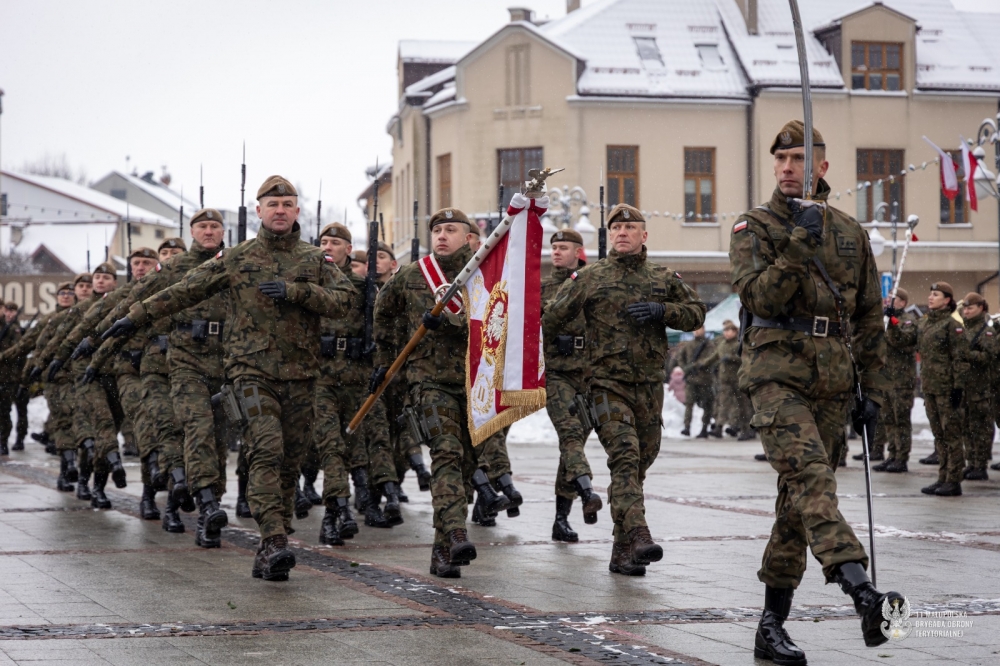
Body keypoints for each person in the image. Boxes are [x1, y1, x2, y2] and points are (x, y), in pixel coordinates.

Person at [103, 176, 356, 581]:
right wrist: (133, 317)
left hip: (301, 374)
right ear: (258, 210)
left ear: (296, 211)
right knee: (267, 447)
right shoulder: (237, 258)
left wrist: (297, 292)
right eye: (272, 204)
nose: (280, 211)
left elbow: (345, 302)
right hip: (250, 371)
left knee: (291, 457)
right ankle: (273, 538)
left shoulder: (314, 260)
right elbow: (185, 289)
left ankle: (274, 538)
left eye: (287, 204)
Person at [729, 120, 904, 662]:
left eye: (799, 160)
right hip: (775, 372)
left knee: (797, 502)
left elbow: (870, 319)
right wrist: (799, 241)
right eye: (780, 159)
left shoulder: (851, 233)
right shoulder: (752, 227)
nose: (787, 168)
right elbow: (761, 295)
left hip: (832, 380)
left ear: (821, 167)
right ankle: (862, 592)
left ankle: (770, 625)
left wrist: (874, 389)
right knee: (811, 478)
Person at [544, 203, 706, 576]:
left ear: (644, 235)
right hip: (605, 385)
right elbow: (552, 316)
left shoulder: (662, 277)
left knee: (639, 465)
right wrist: (568, 339)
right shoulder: (590, 277)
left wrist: (662, 310)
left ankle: (621, 553)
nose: (622, 232)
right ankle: (638, 533)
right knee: (625, 457)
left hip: (649, 386)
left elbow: (696, 311)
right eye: (616, 227)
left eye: (630, 227)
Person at [373, 206, 509, 578]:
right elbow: (383, 313)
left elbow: (498, 322)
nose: (442, 236)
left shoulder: (488, 275)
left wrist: (450, 321)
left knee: (466, 464)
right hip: (428, 382)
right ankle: (455, 531)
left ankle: (442, 548)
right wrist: (384, 361)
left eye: (450, 229)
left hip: (476, 382)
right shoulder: (414, 276)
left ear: (469, 237)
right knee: (446, 453)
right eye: (437, 230)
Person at [540, 228, 603, 542]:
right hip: (558, 373)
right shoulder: (542, 288)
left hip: (589, 374)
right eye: (553, 247)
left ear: (578, 251)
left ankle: (560, 520)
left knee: (573, 445)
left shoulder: (593, 283)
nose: (556, 252)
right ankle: (586, 488)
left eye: (563, 247)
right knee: (570, 433)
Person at [1, 280, 82, 487]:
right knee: (64, 421)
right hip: (57, 378)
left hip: (83, 376)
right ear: (56, 296)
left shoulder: (86, 316)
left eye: (69, 292)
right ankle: (67, 470)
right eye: (62, 292)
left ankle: (85, 476)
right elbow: (27, 345)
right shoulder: (49, 321)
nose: (66, 295)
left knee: (83, 425)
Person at [872, 288, 918, 473]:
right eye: (888, 297)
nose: (889, 301)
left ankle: (902, 457)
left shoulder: (908, 321)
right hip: (886, 378)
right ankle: (892, 454)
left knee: (901, 420)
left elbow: (901, 341)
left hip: (901, 380)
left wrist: (891, 322)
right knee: (888, 419)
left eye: (894, 298)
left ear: (903, 303)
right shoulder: (884, 320)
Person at [957, 293, 995, 481]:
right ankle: (971, 462)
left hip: (979, 388)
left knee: (980, 428)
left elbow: (988, 357)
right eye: (965, 308)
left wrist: (967, 354)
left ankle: (980, 465)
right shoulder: (964, 328)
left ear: (981, 308)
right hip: (965, 385)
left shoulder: (986, 331)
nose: (966, 311)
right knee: (967, 427)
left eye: (970, 308)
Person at [702, 320, 752, 439]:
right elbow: (714, 356)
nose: (727, 333)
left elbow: (745, 359)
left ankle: (745, 430)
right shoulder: (722, 344)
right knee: (723, 404)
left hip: (738, 379)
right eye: (725, 331)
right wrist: (703, 364)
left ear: (735, 332)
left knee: (742, 406)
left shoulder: (739, 343)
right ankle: (719, 428)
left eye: (729, 331)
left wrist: (731, 358)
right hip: (725, 380)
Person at [671, 327, 718, 438]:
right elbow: (680, 357)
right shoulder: (689, 345)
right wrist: (685, 368)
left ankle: (704, 428)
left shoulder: (709, 345)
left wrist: (698, 365)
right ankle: (687, 427)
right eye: (695, 329)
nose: (697, 331)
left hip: (705, 379)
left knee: (707, 405)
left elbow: (712, 358)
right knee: (689, 403)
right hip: (691, 379)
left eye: (699, 329)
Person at [0, 303, 25, 455]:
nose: (9, 313)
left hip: (8, 376)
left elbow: (19, 349)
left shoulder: (15, 329)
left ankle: (3, 441)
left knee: (4, 410)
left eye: (12, 311)